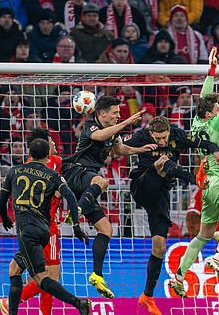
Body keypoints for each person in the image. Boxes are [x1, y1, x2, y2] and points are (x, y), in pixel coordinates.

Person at [124, 114, 219, 315]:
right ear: (150, 133)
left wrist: (217, 153)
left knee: (159, 247)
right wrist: (135, 148)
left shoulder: (178, 135)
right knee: (162, 161)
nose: (161, 141)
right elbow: (117, 150)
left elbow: (206, 143)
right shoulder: (140, 136)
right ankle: (195, 179)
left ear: (169, 132)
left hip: (160, 193)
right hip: (142, 185)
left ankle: (147, 296)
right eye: (157, 138)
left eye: (164, 137)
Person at [0, 137, 92, 315]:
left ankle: (78, 303)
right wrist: (75, 226)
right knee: (14, 269)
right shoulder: (53, 175)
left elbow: (1, 201)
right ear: (48, 156)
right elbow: (71, 197)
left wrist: (5, 219)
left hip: (26, 231)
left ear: (28, 153)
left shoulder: (15, 171)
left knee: (41, 279)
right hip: (45, 230)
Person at [60, 96, 155, 299]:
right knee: (102, 182)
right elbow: (99, 137)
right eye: (114, 113)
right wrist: (126, 123)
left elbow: (119, 150)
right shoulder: (91, 126)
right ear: (102, 113)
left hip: (87, 182)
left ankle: (97, 275)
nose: (118, 115)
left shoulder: (111, 132)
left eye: (119, 113)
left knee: (106, 229)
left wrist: (140, 149)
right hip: (76, 171)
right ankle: (75, 210)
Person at [170, 49, 219, 297]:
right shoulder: (216, 122)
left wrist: (211, 71)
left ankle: (179, 275)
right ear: (212, 113)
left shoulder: (197, 121)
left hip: (204, 182)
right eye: (217, 107)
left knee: (204, 234)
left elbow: (204, 97)